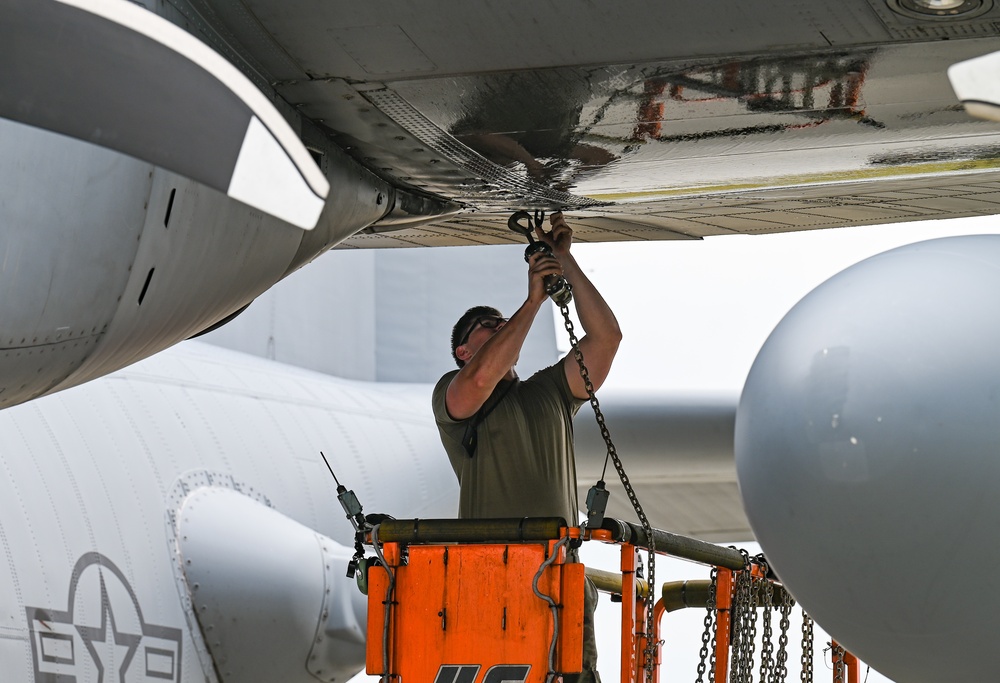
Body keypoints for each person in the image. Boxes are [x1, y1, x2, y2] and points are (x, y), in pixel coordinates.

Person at [431, 212, 621, 683]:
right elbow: (479, 379)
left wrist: (565, 262)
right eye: (485, 326)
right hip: (492, 579)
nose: (498, 326)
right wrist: (532, 302)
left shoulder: (549, 392)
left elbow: (606, 339)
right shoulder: (453, 395)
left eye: (502, 323)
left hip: (560, 580)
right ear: (463, 351)